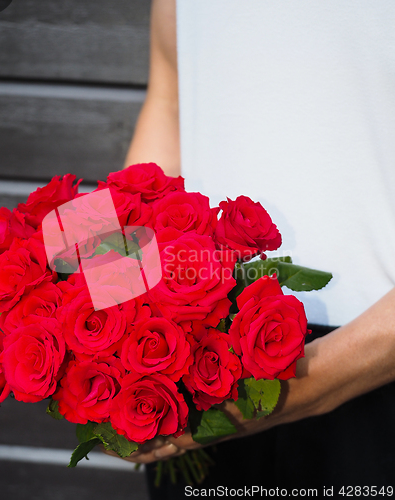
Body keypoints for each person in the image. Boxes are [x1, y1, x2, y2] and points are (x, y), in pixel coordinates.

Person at [112, 0, 395, 495]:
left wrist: (300, 390)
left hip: (376, 364)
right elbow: (169, 101)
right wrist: (99, 321)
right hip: (200, 353)